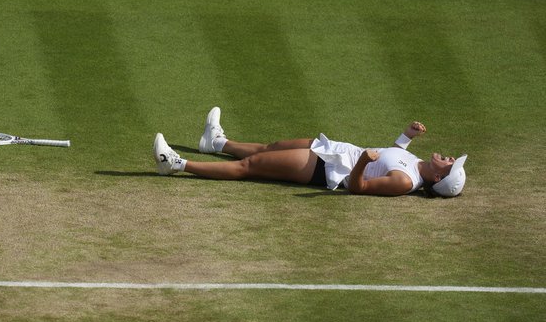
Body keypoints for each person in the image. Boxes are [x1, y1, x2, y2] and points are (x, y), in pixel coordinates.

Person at [153, 107, 467, 197]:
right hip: (334, 149)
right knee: (270, 147)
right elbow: (392, 154)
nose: (450, 158)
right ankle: (216, 143)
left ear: (439, 177)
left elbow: (359, 187)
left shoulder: (405, 183)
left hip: (327, 169)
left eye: (451, 165)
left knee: (250, 166)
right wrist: (406, 136)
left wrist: (360, 162)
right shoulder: (414, 163)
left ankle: (178, 165)